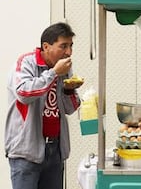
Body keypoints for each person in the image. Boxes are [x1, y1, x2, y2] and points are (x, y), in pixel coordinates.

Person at [4, 22, 84, 189]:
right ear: (46, 46)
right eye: (63, 46)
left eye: (71, 46)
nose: (68, 52)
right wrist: (53, 73)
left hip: (55, 150)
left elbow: (70, 109)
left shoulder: (64, 69)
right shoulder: (26, 63)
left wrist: (69, 91)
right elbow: (23, 93)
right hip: (26, 152)